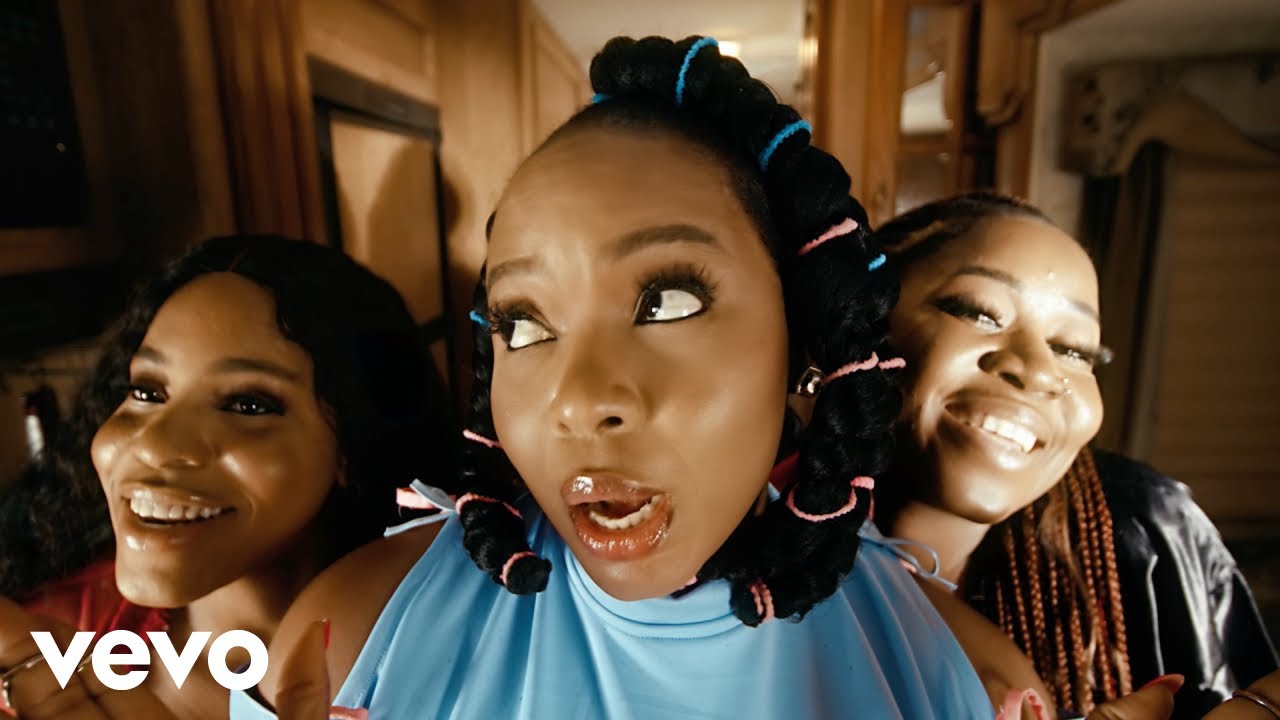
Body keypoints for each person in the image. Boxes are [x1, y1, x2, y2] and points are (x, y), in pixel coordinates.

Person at [0, 235, 454, 718]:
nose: (154, 446)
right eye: (147, 392)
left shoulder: (452, 652)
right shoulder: (35, 660)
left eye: (248, 405)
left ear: (351, 446)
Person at [874, 192, 1279, 718]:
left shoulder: (1146, 533)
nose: (1040, 370)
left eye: (1073, 350)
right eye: (978, 312)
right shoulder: (777, 569)